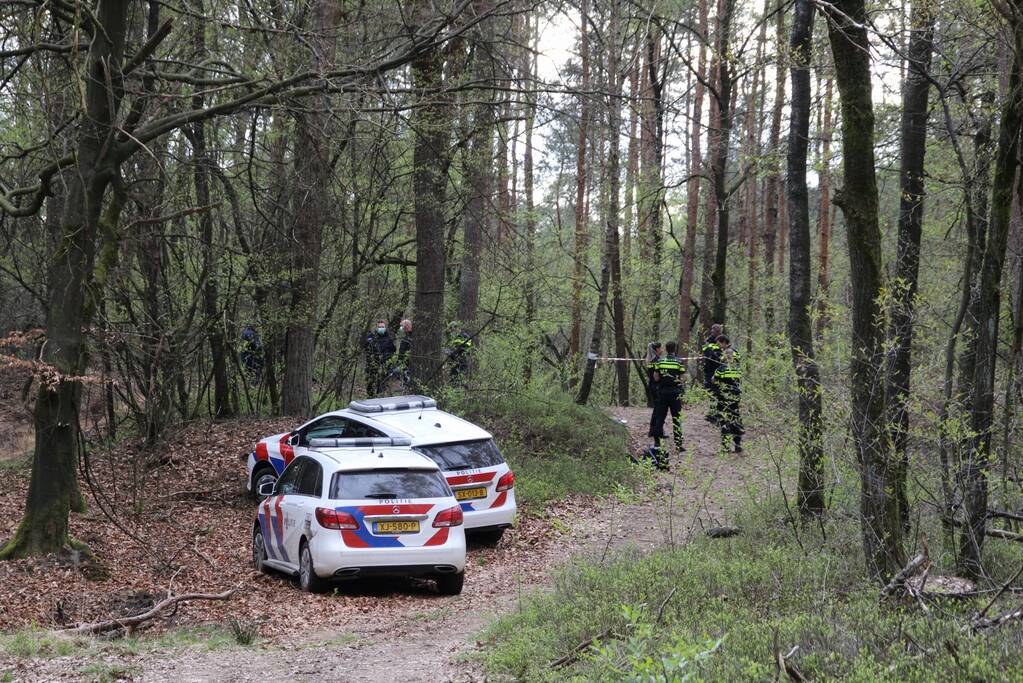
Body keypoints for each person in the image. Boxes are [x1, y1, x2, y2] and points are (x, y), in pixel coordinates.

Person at [648, 341, 687, 469]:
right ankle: (679, 444)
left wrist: (662, 380)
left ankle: (657, 442)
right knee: (676, 418)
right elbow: (683, 377)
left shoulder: (660, 361)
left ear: (665, 349)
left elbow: (656, 376)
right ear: (675, 349)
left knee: (660, 417)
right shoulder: (679, 362)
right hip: (675, 393)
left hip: (663, 392)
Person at [714, 335, 744, 453]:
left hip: (723, 397)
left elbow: (714, 380)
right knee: (735, 419)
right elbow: (739, 381)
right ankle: (737, 444)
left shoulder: (721, 369)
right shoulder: (738, 370)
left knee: (724, 420)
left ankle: (725, 446)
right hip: (735, 397)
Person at [365, 319, 396, 396]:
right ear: (377, 327)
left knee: (382, 382)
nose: (381, 328)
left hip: (384, 364)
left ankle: (380, 395)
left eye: (382, 327)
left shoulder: (388, 338)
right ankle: (370, 395)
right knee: (371, 381)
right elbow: (366, 348)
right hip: (373, 364)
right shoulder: (372, 337)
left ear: (385, 327)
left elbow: (393, 350)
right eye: (380, 327)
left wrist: (386, 358)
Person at [701, 323, 724, 423]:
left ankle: (717, 415)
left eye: (713, 330)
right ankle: (712, 414)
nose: (711, 332)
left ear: (718, 331)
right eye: (711, 330)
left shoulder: (723, 340)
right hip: (709, 371)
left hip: (718, 371)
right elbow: (705, 351)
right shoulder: (709, 341)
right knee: (711, 393)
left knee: (717, 393)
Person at [645, 341, 663, 406]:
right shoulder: (657, 360)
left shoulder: (650, 360)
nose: (662, 350)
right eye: (661, 348)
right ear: (657, 349)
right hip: (657, 386)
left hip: (652, 385)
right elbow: (658, 375)